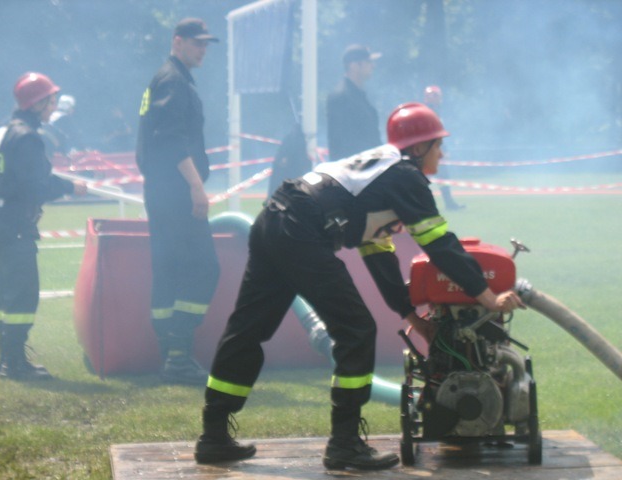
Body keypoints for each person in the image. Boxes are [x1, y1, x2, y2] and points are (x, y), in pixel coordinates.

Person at [194, 103, 525, 469]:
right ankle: (345, 445)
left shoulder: (384, 174)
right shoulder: (407, 178)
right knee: (357, 330)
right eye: (437, 145)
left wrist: (413, 318)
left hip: (274, 219)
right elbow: (440, 245)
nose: (442, 154)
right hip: (302, 231)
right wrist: (488, 297)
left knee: (247, 330)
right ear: (417, 149)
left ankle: (212, 436)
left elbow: (379, 257)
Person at [0, 72, 87, 380]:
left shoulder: (4, 130)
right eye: (50, 100)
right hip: (16, 224)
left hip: (2, 222)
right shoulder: (27, 137)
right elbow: (35, 185)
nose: (53, 105)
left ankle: (8, 359)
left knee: (8, 295)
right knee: (23, 295)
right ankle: (14, 363)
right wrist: (69, 187)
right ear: (37, 103)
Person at [135, 18, 221, 386]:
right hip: (175, 192)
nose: (203, 49)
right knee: (204, 268)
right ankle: (178, 354)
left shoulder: (168, 77)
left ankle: (172, 355)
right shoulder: (173, 80)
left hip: (162, 191)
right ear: (178, 42)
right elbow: (171, 140)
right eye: (197, 43)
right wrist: (196, 186)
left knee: (169, 270)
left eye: (206, 44)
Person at [326, 44, 382, 161]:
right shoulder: (340, 97)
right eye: (368, 62)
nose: (373, 66)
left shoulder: (359, 96)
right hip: (354, 173)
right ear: (354, 65)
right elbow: (343, 145)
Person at [423, 85, 465, 210]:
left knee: (443, 177)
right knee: (427, 178)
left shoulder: (435, 111)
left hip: (433, 150)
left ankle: (449, 203)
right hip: (430, 151)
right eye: (434, 96)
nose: (436, 99)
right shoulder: (429, 112)